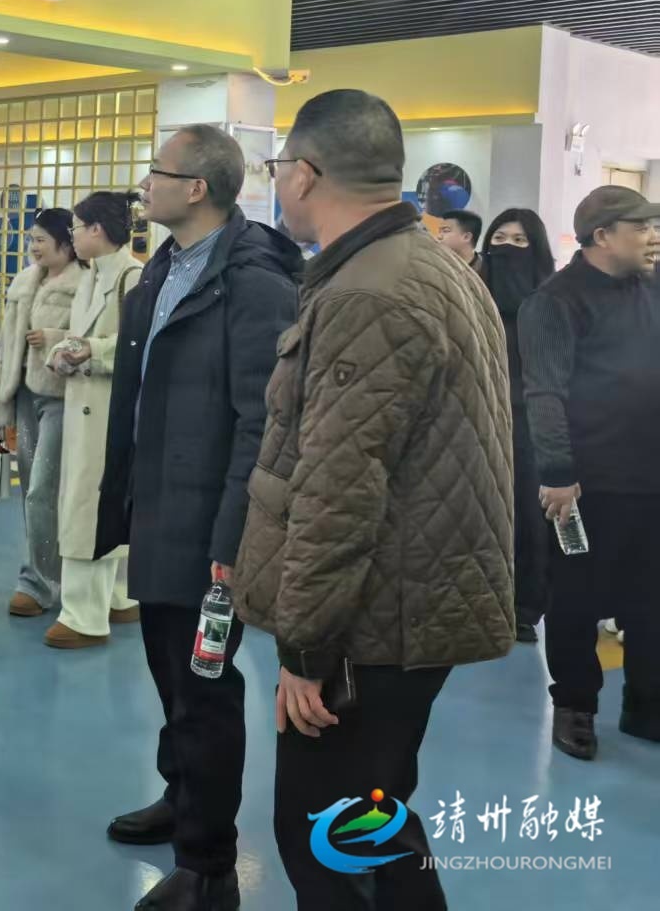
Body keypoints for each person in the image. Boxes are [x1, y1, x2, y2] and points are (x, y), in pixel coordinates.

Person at [235, 90, 515, 911]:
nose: (278, 183)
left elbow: (338, 488)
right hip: (416, 602)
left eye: (278, 167)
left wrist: (306, 650)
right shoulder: (429, 264)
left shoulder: (366, 292)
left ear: (305, 173)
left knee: (323, 837)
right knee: (375, 820)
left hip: (373, 621)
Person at [93, 125, 301, 911]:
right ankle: (181, 797)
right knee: (171, 676)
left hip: (210, 522)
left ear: (197, 188)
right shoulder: (166, 267)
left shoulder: (253, 284)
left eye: (158, 170)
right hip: (158, 506)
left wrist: (232, 535)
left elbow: (263, 423)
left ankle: (210, 865)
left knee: (204, 690)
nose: (144, 182)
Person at [518, 185, 660, 760]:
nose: (653, 237)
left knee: (651, 600)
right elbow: (544, 393)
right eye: (641, 227)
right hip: (585, 485)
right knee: (576, 601)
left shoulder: (650, 289)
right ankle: (575, 705)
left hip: (651, 478)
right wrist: (557, 472)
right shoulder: (556, 301)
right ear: (603, 236)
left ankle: (647, 705)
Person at [43, 191, 144, 648]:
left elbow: (139, 343)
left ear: (97, 230)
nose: (73, 236)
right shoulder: (92, 275)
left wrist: (93, 351)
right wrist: (62, 351)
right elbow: (80, 335)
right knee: (99, 500)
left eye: (77, 228)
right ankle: (120, 596)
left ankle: (83, 616)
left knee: (92, 507)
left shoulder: (132, 277)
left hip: (109, 409)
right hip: (87, 403)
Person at [0, 208, 83, 620]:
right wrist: (1, 392)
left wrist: (55, 337)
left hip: (62, 396)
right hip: (25, 394)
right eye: (32, 239)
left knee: (44, 488)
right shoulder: (25, 281)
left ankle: (39, 582)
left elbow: (96, 337)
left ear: (67, 242)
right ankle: (46, 573)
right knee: (32, 489)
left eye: (42, 239)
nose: (34, 246)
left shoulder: (85, 282)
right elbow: (8, 343)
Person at [480, 208, 556, 643]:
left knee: (527, 518)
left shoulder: (550, 301)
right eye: (500, 238)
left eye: (520, 240)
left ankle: (524, 607)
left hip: (530, 424)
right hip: (476, 419)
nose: (507, 247)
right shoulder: (470, 294)